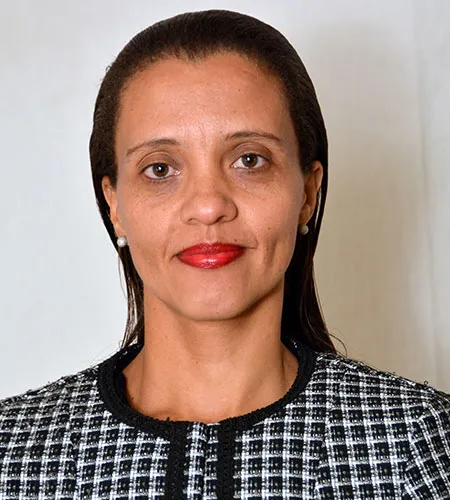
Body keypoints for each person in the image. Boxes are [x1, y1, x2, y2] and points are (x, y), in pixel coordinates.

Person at [0, 9, 449, 499]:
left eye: (249, 160)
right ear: (115, 207)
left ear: (307, 193)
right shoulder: (13, 455)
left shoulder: (421, 445)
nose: (208, 205)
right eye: (160, 168)